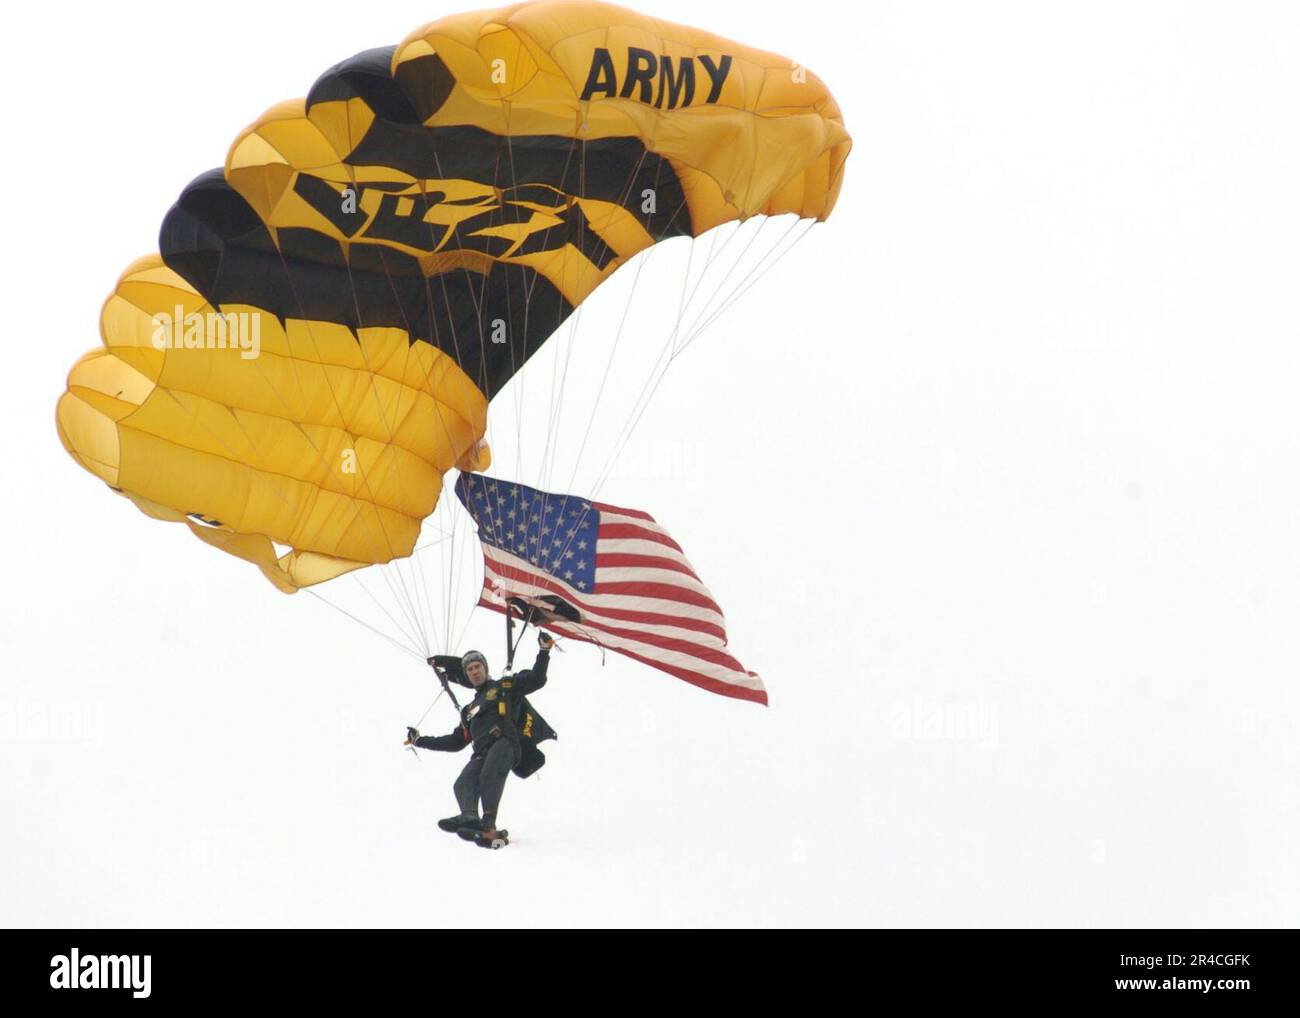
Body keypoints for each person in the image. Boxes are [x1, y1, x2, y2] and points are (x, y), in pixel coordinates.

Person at [406, 632, 554, 841]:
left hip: (506, 744)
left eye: (477, 666)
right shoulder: (469, 711)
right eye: (469, 669)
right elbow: (455, 742)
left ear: (485, 668)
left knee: (489, 773)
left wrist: (544, 652)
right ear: (466, 675)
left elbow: (536, 679)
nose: (474, 671)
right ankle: (469, 816)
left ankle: (489, 826)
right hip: (482, 753)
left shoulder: (504, 687)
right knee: (463, 782)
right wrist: (420, 741)